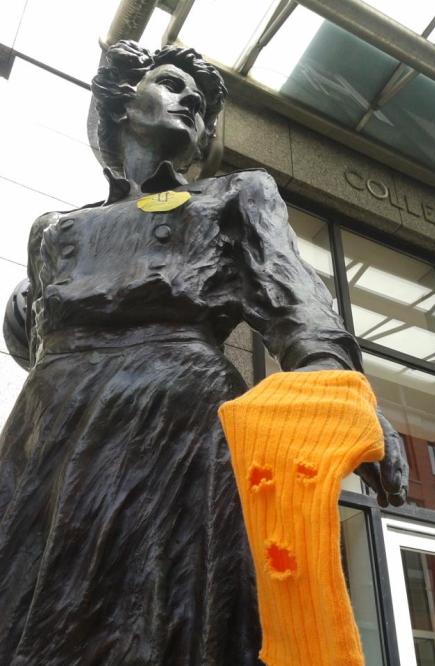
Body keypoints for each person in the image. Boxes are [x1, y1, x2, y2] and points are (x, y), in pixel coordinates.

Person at [0, 40, 406, 665]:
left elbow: (293, 297)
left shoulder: (235, 196)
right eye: (171, 83)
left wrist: (341, 397)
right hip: (52, 431)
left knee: (174, 620)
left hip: (181, 425)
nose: (191, 101)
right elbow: (32, 341)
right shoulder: (53, 230)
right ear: (120, 101)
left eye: (201, 102)